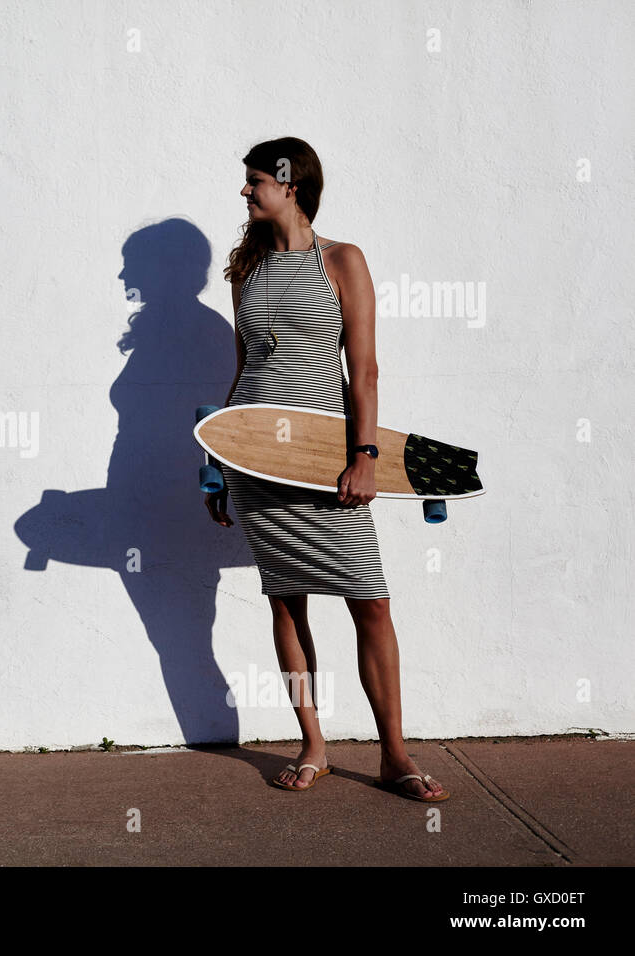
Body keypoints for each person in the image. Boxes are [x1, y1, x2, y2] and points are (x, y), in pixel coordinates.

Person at [205, 137, 448, 802]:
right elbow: (242, 372)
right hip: (256, 463)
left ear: (290, 184)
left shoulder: (342, 261)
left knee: (369, 601)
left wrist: (364, 456)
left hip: (323, 460)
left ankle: (394, 753)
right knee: (286, 600)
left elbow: (363, 369)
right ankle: (313, 742)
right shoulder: (245, 270)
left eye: (255, 181)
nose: (245, 192)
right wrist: (216, 466)